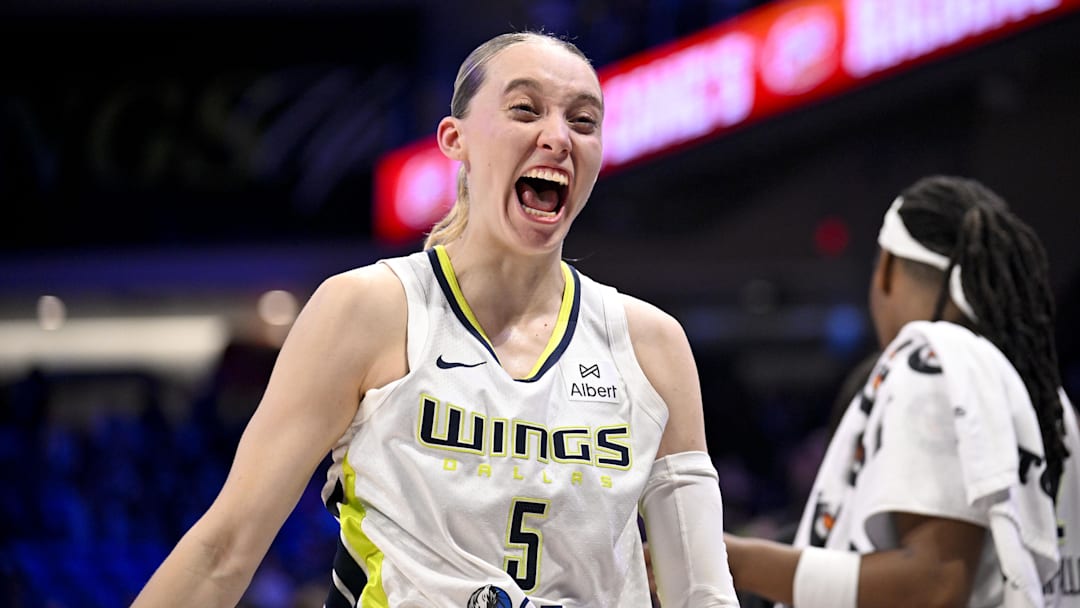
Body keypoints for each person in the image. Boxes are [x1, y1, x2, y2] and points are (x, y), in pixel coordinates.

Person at [133, 31, 739, 608]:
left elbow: (703, 595)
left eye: (582, 121)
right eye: (526, 110)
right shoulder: (367, 309)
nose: (557, 136)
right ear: (455, 139)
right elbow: (223, 550)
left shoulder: (652, 345)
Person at [723, 175, 1080, 608]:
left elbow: (935, 584)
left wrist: (739, 560)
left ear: (889, 267)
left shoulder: (932, 358)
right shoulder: (1047, 399)